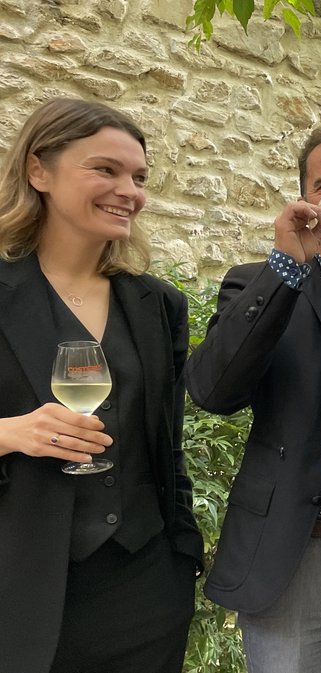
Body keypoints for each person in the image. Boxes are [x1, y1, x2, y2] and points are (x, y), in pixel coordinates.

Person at [184, 126, 321, 673]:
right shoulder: (258, 284)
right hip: (293, 554)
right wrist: (287, 266)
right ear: (306, 201)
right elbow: (212, 391)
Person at [0, 97, 202, 673]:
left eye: (138, 177)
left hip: (145, 588)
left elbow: (170, 446)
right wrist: (13, 432)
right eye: (105, 170)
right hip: (17, 582)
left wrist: (178, 559)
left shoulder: (158, 304)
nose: (129, 191)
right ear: (39, 171)